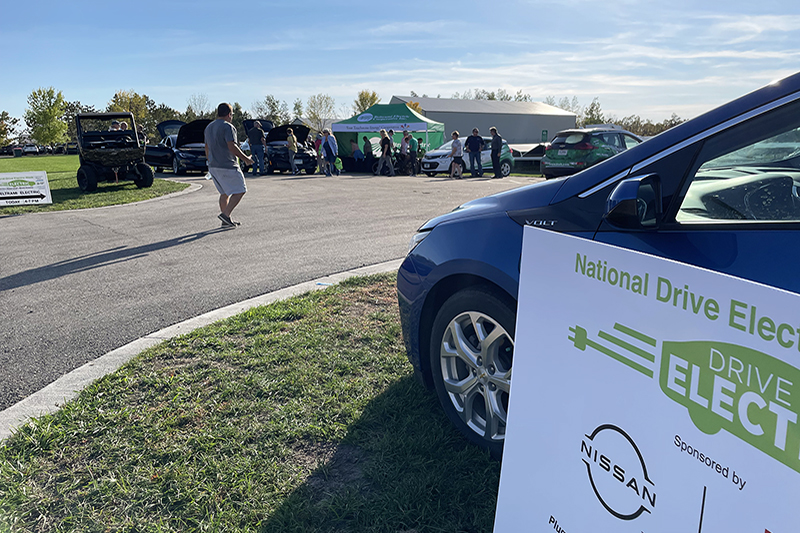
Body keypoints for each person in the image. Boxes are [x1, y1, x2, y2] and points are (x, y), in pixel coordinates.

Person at [204, 102, 253, 228]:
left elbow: (207, 147)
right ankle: (225, 215)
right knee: (241, 190)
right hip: (227, 165)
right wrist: (246, 159)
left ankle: (226, 221)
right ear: (229, 114)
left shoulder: (209, 127)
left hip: (213, 165)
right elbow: (232, 146)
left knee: (224, 193)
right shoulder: (228, 127)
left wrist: (209, 161)